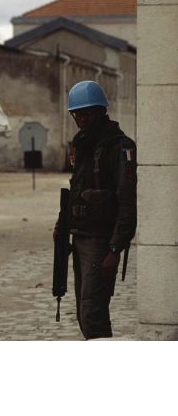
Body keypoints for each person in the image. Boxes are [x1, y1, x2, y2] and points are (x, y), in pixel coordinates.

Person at [60, 80, 137, 340]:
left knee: (93, 315)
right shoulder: (83, 144)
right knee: (84, 314)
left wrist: (116, 248)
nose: (81, 118)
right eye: (77, 113)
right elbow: (74, 189)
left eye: (87, 113)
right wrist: (62, 228)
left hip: (100, 241)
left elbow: (127, 203)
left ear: (100, 111)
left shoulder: (119, 146)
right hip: (80, 236)